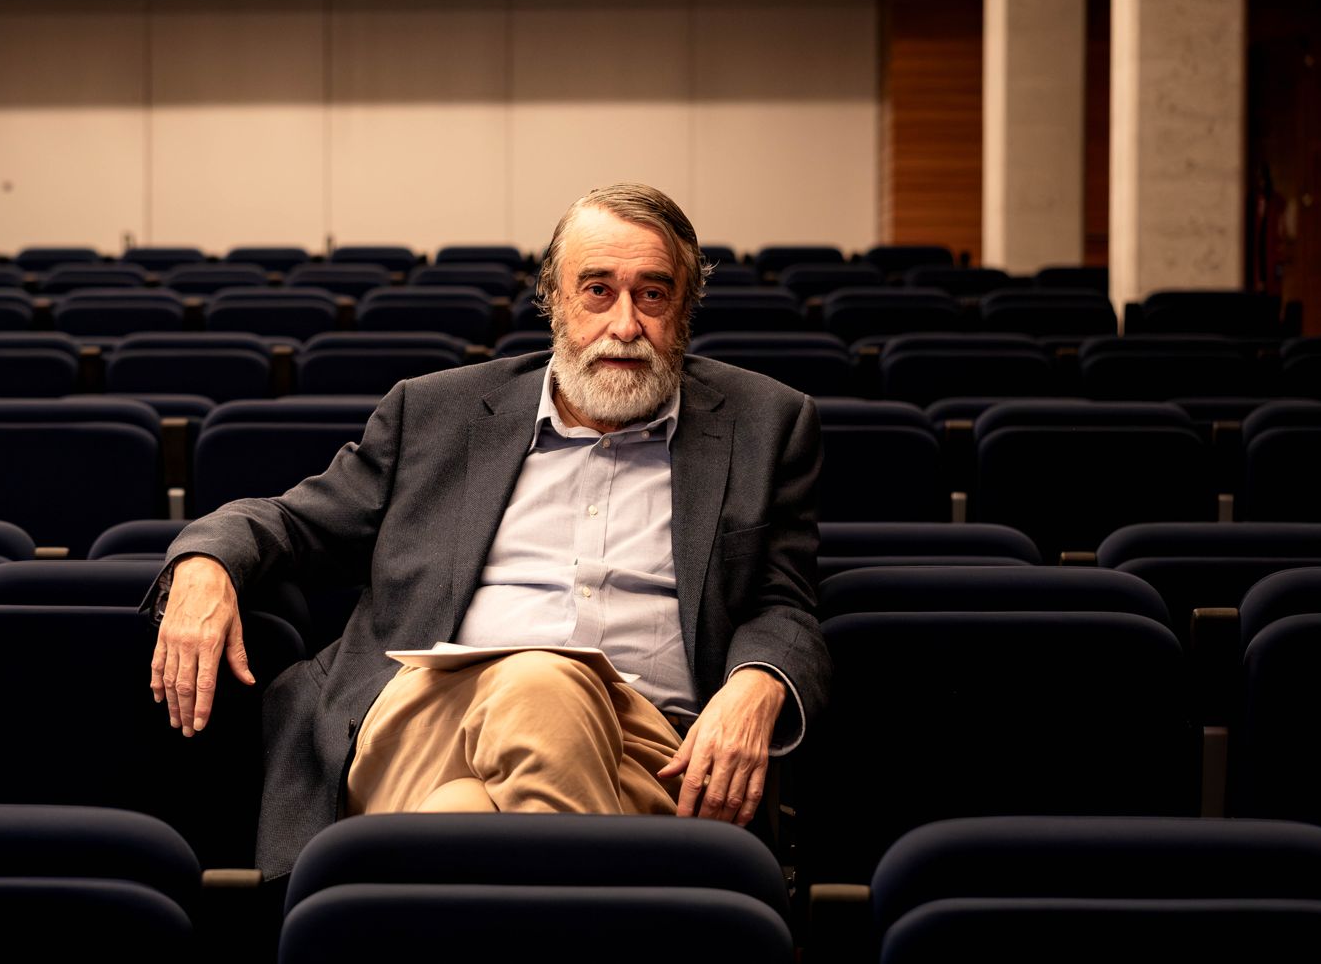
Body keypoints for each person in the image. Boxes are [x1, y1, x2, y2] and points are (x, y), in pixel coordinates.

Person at [147, 183, 829, 878]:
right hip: (427, 722)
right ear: (554, 301)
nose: (625, 323)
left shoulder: (766, 424)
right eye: (597, 290)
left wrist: (759, 681)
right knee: (542, 679)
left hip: (650, 752)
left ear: (684, 310)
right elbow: (290, 522)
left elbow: (786, 602)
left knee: (461, 817)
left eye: (652, 294)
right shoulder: (435, 413)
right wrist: (206, 560)